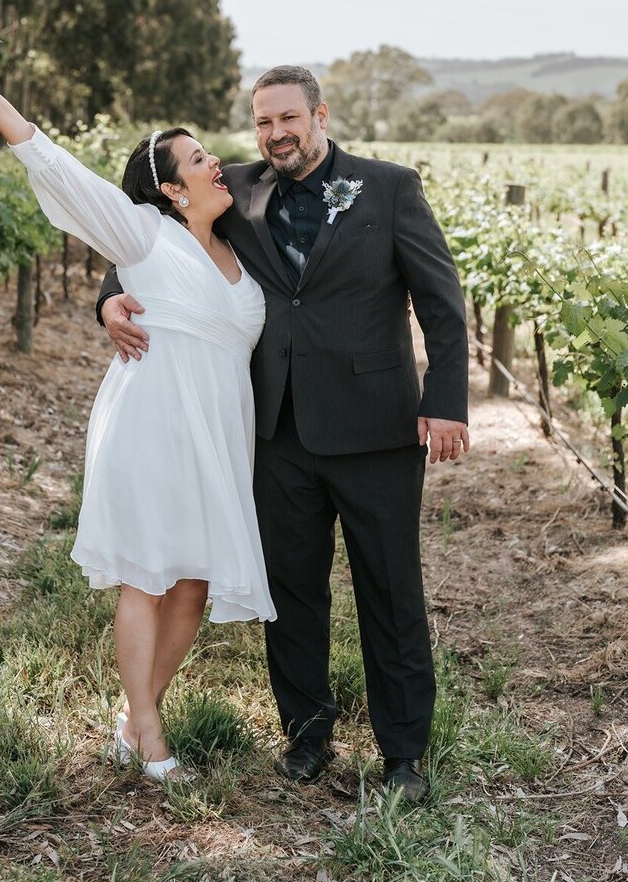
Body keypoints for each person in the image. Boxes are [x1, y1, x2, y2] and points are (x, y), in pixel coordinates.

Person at [98, 65, 470, 800]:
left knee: (390, 592)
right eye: (264, 122)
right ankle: (307, 737)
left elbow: (441, 298)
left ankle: (403, 756)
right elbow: (155, 238)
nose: (276, 134)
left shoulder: (389, 187)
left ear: (319, 114)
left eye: (288, 119)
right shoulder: (235, 188)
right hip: (277, 432)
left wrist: (448, 401)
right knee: (293, 591)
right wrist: (109, 301)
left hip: (377, 431)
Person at [0, 78, 276, 782]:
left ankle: (132, 719)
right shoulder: (143, 232)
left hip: (218, 434)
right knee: (147, 577)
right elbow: (63, 173)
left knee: (193, 582)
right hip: (153, 421)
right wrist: (2, 109)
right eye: (195, 159)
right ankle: (150, 735)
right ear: (170, 189)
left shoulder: (243, 254)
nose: (214, 161)